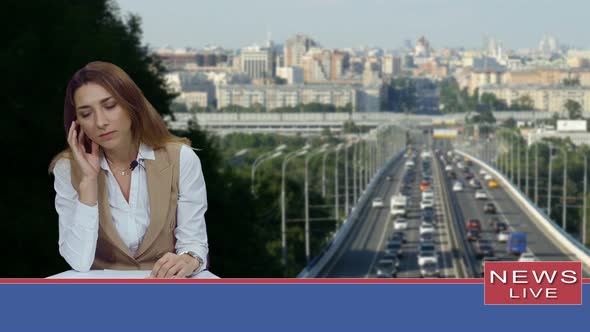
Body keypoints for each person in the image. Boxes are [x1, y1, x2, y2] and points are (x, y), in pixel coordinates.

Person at [48, 61, 209, 278]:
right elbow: (79, 262)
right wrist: (88, 184)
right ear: (77, 125)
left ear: (131, 104)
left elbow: (194, 244)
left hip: (165, 285)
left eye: (110, 106)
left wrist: (189, 260)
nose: (101, 122)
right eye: (86, 114)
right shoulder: (68, 169)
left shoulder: (182, 159)